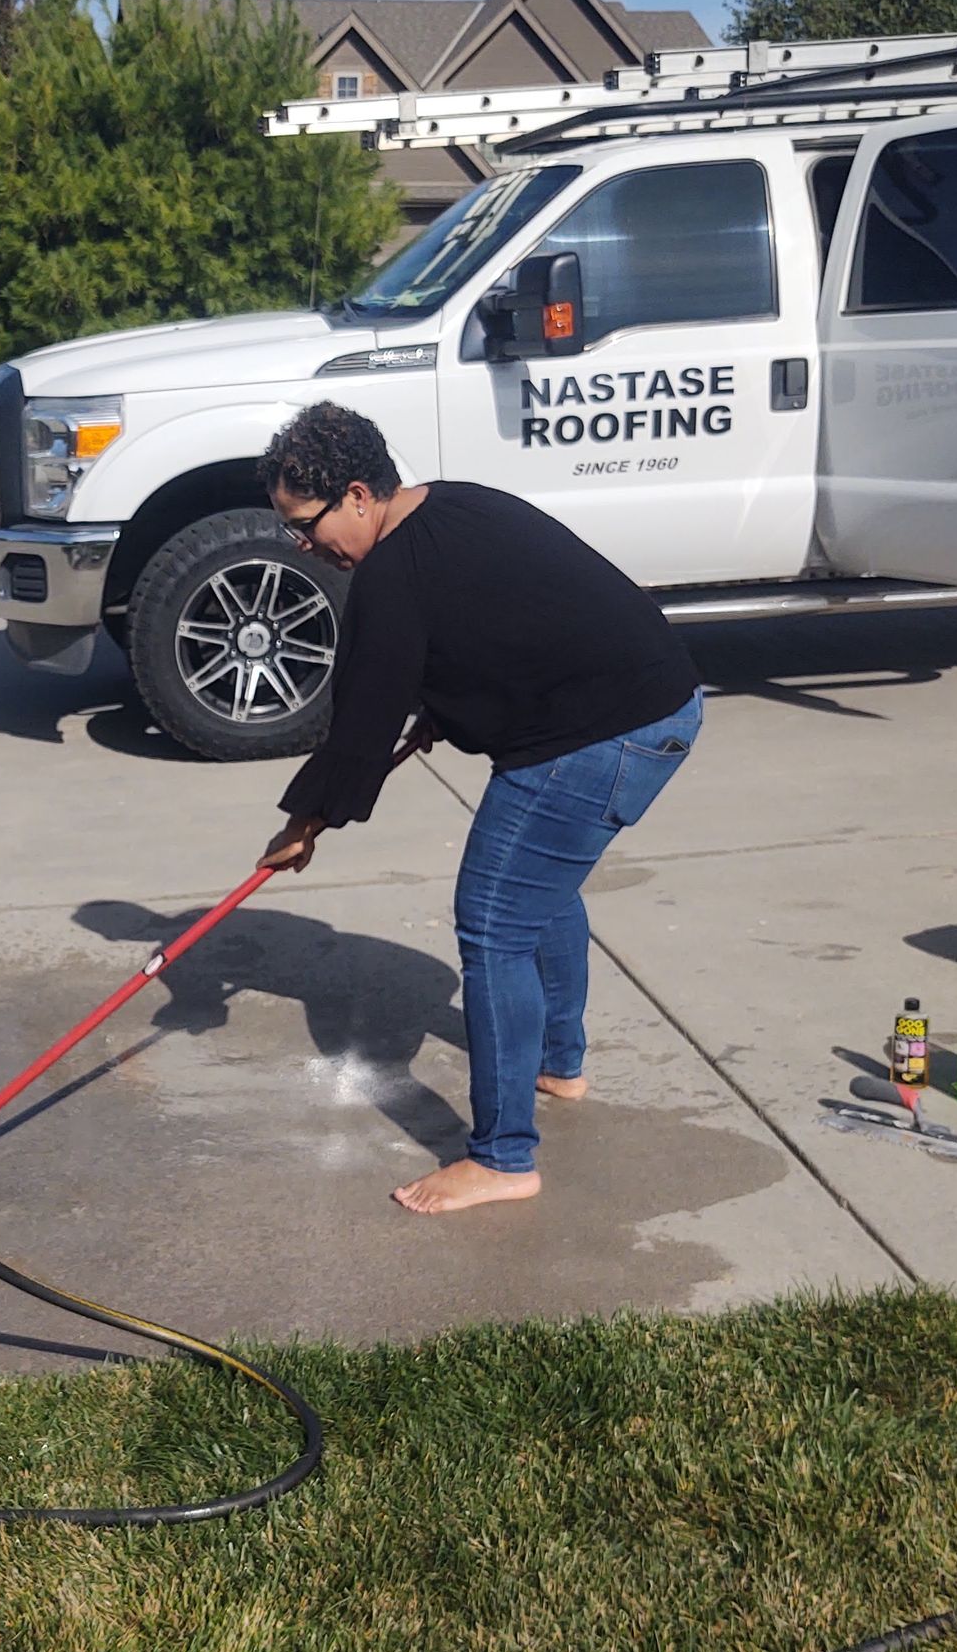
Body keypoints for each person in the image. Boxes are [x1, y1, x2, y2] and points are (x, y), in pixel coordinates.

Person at [256, 404, 702, 1217]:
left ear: (357, 495)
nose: (305, 544)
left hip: (602, 736)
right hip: (659, 703)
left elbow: (358, 727)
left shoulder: (389, 577)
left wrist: (305, 825)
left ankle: (502, 1158)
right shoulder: (457, 502)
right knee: (543, 887)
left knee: (494, 918)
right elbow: (507, 627)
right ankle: (559, 1063)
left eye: (306, 524)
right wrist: (450, 707)